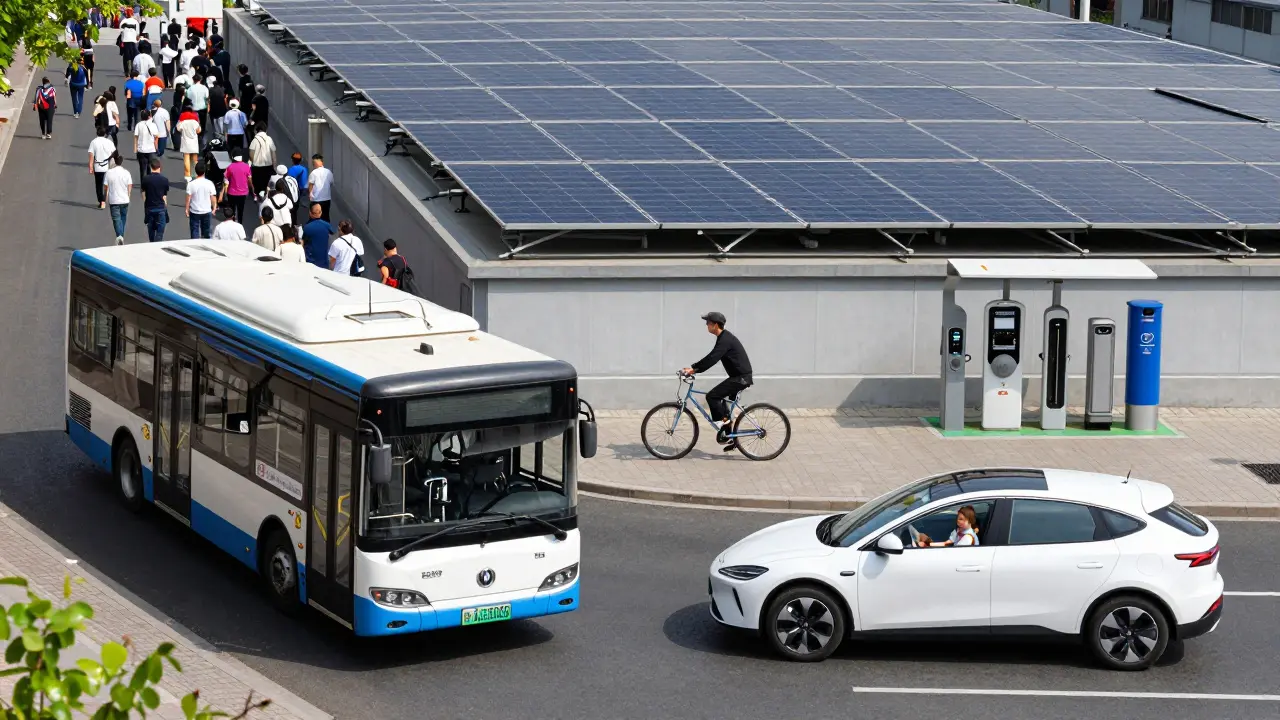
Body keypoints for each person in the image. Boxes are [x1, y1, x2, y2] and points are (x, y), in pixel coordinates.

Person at [682, 311, 754, 449]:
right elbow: (712, 357)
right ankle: (730, 436)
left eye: (708, 323)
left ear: (715, 325)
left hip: (741, 378)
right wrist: (695, 368)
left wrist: (694, 369)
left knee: (712, 396)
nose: (706, 325)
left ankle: (723, 426)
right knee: (722, 402)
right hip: (738, 377)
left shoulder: (725, 340)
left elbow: (713, 358)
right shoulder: (724, 338)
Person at [104, 153, 133, 244]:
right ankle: (121, 236)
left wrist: (105, 198)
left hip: (114, 200)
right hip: (125, 200)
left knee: (116, 219)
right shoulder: (126, 173)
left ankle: (119, 236)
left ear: (115, 162)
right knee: (123, 218)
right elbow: (130, 185)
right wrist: (128, 194)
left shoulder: (109, 173)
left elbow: (106, 187)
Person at [141, 157, 170, 242]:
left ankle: (152, 244)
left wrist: (146, 202)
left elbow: (143, 193)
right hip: (160, 208)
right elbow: (164, 196)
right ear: (159, 167)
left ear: (150, 167)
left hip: (149, 208)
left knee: (151, 231)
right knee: (160, 233)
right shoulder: (164, 180)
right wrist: (165, 205)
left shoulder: (146, 179)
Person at [186, 162, 216, 239]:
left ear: (195, 171)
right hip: (206, 211)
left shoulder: (191, 184)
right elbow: (212, 196)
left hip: (194, 211)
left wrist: (187, 209)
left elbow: (188, 198)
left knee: (194, 232)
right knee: (206, 233)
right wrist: (214, 207)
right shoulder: (210, 183)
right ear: (205, 171)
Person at [88, 126, 116, 209]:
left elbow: (91, 155)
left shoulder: (94, 142)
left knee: (98, 184)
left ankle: (101, 201)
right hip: (107, 166)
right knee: (106, 184)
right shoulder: (109, 142)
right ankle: (104, 199)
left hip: (97, 166)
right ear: (104, 134)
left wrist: (90, 166)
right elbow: (114, 153)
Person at [220, 151, 252, 223]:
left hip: (231, 193)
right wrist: (251, 189)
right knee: (241, 210)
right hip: (243, 193)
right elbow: (249, 179)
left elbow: (226, 179)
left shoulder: (230, 167)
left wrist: (224, 191)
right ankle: (240, 223)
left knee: (232, 209)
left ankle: (233, 221)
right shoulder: (246, 167)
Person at [248, 124, 276, 199]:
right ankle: (266, 197)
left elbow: (251, 154)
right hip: (268, 166)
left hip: (257, 167)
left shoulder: (254, 140)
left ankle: (258, 197)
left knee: (258, 184)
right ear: (265, 130)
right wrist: (274, 165)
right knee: (266, 184)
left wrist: (252, 161)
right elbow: (273, 153)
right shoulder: (269, 139)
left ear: (257, 131)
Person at [174, 103, 201, 181]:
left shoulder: (183, 121)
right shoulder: (194, 121)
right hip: (194, 142)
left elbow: (178, 129)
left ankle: (187, 176)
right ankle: (196, 175)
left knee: (186, 158)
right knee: (195, 159)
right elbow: (199, 131)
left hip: (185, 142)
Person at [133, 108, 158, 178]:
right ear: (149, 116)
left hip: (141, 150)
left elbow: (136, 137)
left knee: (142, 169)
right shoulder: (153, 125)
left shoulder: (138, 125)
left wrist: (135, 149)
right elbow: (156, 137)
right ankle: (149, 184)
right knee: (150, 168)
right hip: (151, 150)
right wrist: (156, 147)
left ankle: (143, 186)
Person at [307, 154, 333, 222]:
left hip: (316, 199)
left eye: (314, 163)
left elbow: (310, 185)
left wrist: (310, 194)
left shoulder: (313, 173)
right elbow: (331, 183)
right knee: (326, 216)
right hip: (326, 198)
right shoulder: (328, 172)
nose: (313, 164)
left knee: (314, 217)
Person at [185, 73, 209, 143]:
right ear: (200, 80)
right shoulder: (204, 88)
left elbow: (188, 98)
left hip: (193, 108)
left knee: (194, 123)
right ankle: (201, 136)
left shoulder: (190, 89)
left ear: (193, 80)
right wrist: (208, 106)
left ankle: (195, 136)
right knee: (203, 123)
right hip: (202, 108)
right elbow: (207, 98)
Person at [286, 152, 308, 224]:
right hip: (303, 189)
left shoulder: (291, 169)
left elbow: (289, 180)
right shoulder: (304, 169)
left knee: (293, 204)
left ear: (292, 160)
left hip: (295, 189)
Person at [119, 10, 139, 76]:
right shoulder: (135, 22)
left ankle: (126, 71)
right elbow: (137, 33)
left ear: (126, 13)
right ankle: (133, 70)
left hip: (125, 41)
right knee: (134, 56)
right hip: (133, 41)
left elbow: (121, 32)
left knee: (126, 57)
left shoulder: (123, 21)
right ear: (132, 13)